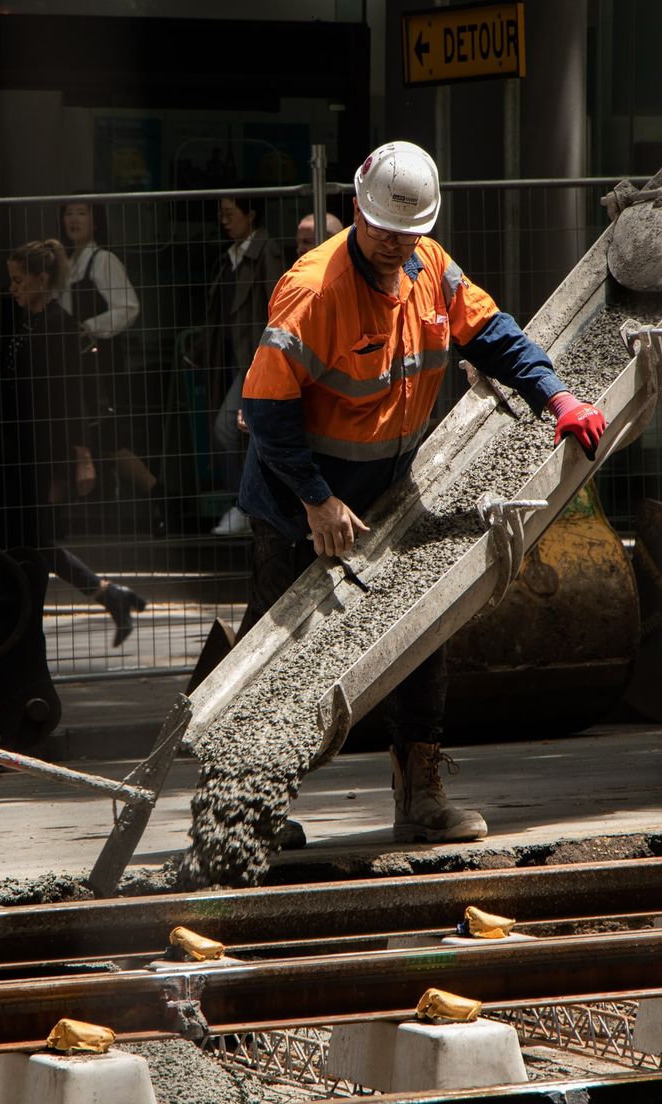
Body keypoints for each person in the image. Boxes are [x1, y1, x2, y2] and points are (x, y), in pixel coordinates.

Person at [237, 140, 607, 845]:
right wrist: (315, 500)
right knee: (282, 659)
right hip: (295, 505)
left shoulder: (430, 271)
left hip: (387, 493)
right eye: (383, 230)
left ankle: (422, 796)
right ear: (356, 211)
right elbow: (270, 415)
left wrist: (557, 396)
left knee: (422, 638)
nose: (395, 245)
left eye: (410, 233)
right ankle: (251, 811)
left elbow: (495, 335)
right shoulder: (313, 291)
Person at [0, 239, 146, 648]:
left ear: (41, 279)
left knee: (31, 543)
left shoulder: (59, 327)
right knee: (30, 541)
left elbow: (68, 398)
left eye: (18, 280)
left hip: (42, 453)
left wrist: (80, 460)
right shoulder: (29, 321)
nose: (12, 288)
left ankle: (26, 630)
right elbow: (27, 384)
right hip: (22, 450)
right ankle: (105, 596)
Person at [60, 198, 170, 538]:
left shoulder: (102, 259)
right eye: (68, 213)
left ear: (97, 221)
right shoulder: (70, 262)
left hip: (99, 367)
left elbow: (128, 307)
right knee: (89, 438)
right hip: (76, 366)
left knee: (107, 440)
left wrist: (88, 326)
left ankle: (159, 495)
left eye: (83, 213)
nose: (74, 219)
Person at [200, 193, 286, 536]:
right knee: (237, 432)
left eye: (229, 213)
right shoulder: (232, 256)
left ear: (251, 213)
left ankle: (244, 507)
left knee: (228, 429)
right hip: (235, 359)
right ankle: (247, 506)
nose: (224, 220)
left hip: (256, 359)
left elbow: (276, 307)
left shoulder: (265, 252)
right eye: (220, 214)